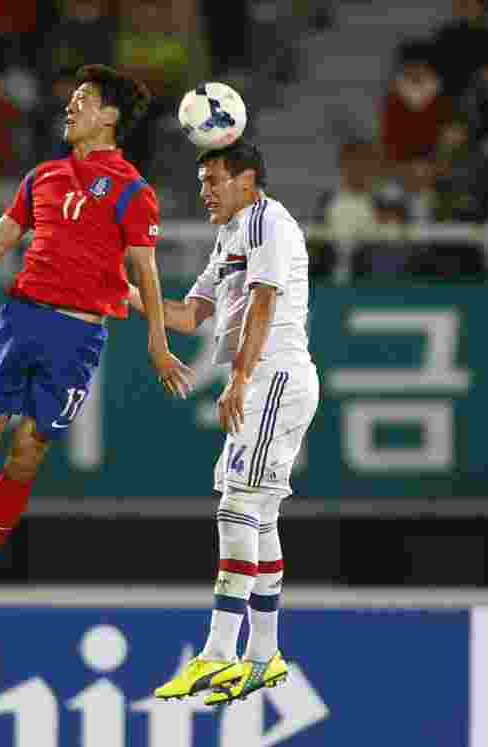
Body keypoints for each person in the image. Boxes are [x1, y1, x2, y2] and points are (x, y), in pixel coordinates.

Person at [0, 64, 193, 629]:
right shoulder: (43, 176)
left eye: (83, 100)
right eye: (71, 97)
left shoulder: (133, 191)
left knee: (27, 451)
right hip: (21, 319)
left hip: (78, 337)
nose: (70, 107)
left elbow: (144, 272)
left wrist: (157, 341)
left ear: (110, 116)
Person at [127, 141, 318, 705]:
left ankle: (217, 652)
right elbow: (189, 315)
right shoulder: (230, 235)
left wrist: (238, 379)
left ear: (247, 179)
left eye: (213, 180)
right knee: (256, 514)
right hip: (263, 382)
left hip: (273, 378)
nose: (204, 190)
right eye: (202, 180)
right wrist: (127, 292)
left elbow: (264, 302)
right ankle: (262, 657)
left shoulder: (267, 222)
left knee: (237, 506)